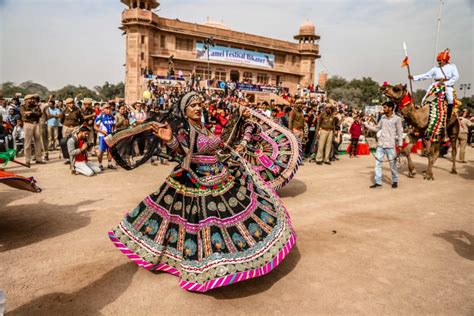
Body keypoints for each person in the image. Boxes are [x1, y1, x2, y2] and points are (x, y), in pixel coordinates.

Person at [107, 91, 297, 293]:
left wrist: (240, 126)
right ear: (184, 110)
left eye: (199, 104)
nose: (198, 108)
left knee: (231, 215)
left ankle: (230, 259)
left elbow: (219, 144)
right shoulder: (183, 130)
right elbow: (181, 151)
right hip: (196, 178)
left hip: (218, 175)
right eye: (193, 106)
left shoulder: (203, 127)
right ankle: (206, 264)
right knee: (203, 222)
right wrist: (170, 140)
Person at [410, 49, 459, 122]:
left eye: (440, 60)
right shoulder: (435, 69)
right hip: (436, 86)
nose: (439, 62)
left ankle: (448, 117)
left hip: (447, 85)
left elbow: (456, 77)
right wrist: (414, 77)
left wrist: (445, 83)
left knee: (450, 99)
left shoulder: (452, 67)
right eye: (438, 60)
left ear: (445, 60)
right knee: (425, 99)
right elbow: (426, 75)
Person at [364, 101, 404, 189]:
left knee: (392, 164)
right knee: (378, 163)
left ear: (390, 108)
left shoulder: (397, 119)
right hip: (381, 144)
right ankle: (378, 182)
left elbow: (400, 133)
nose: (383, 109)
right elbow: (377, 128)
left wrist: (400, 145)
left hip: (390, 145)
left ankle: (394, 181)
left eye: (385, 107)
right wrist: (366, 125)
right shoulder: (383, 118)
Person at [20, 94, 44, 166]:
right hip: (28, 124)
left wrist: (31, 112)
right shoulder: (23, 106)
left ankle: (38, 159)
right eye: (30, 99)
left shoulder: (36, 106)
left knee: (38, 142)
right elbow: (24, 115)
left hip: (36, 124)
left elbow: (40, 114)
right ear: (26, 100)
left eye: (33, 99)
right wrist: (33, 113)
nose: (32, 100)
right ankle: (27, 160)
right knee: (27, 143)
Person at [94, 103, 116, 170]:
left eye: (109, 108)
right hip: (102, 137)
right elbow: (95, 127)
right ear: (103, 109)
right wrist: (101, 131)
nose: (108, 110)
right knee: (101, 151)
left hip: (110, 136)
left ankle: (109, 164)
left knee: (110, 150)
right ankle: (100, 164)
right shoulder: (100, 116)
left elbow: (114, 125)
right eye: (106, 108)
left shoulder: (112, 116)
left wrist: (114, 131)